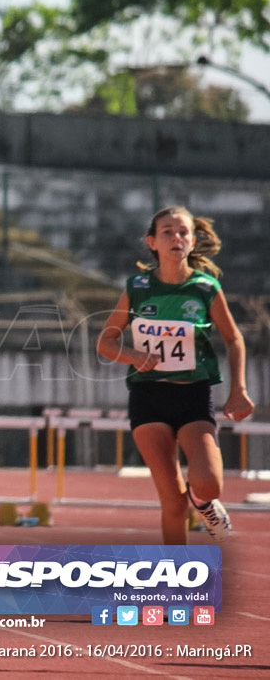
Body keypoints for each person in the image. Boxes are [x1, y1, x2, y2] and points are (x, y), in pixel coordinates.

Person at [96, 206, 253, 545]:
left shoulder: (205, 288)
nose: (176, 238)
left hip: (192, 395)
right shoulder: (138, 287)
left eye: (183, 232)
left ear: (193, 241)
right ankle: (175, 575)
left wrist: (238, 389)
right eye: (167, 232)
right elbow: (106, 342)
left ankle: (204, 502)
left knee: (209, 483)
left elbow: (234, 338)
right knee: (171, 501)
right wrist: (134, 355)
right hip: (148, 397)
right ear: (152, 242)